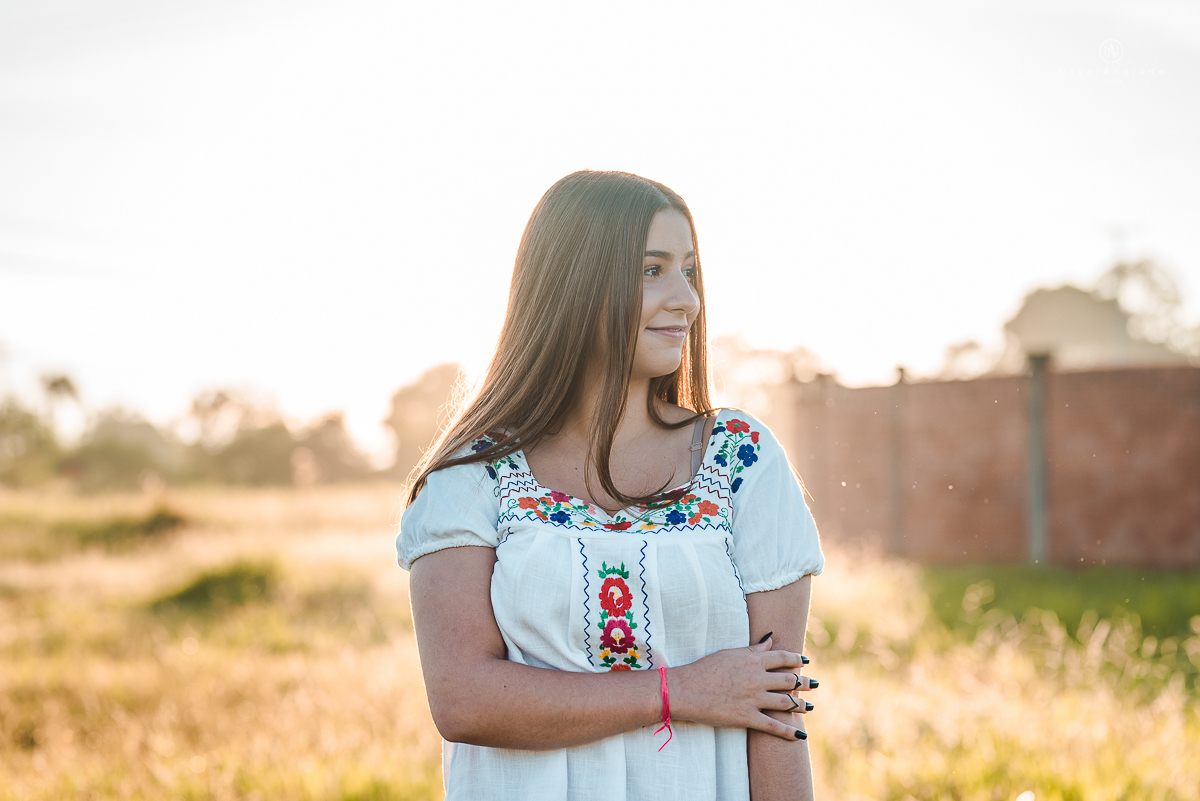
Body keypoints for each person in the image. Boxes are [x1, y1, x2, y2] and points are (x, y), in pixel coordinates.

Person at [396, 170, 825, 800]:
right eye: (652, 270)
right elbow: (464, 700)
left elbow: (774, 713)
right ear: (573, 285)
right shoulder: (473, 470)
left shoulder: (742, 459)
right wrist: (684, 692)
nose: (687, 299)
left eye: (690, 271)